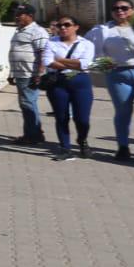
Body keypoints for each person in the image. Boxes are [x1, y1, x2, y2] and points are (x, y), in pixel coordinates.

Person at [89, 0, 134, 161]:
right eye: (116, 8)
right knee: (123, 112)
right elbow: (92, 52)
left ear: (132, 10)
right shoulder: (103, 30)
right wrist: (106, 65)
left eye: (124, 8)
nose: (120, 11)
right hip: (118, 75)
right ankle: (123, 146)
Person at [43, 15, 95, 161]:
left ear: (76, 27)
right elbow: (47, 61)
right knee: (61, 117)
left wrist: (59, 60)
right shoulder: (51, 42)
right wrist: (73, 64)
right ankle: (65, 147)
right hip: (58, 82)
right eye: (60, 25)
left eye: (67, 25)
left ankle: (82, 140)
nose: (63, 28)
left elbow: (85, 64)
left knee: (82, 118)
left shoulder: (86, 44)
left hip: (80, 82)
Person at [7, 3, 49, 144]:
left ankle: (32, 136)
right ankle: (36, 133)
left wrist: (40, 73)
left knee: (27, 104)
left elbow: (43, 52)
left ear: (30, 16)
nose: (17, 16)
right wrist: (12, 72)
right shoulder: (19, 30)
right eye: (16, 14)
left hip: (29, 74)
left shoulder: (37, 31)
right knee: (28, 104)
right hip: (20, 73)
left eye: (20, 14)